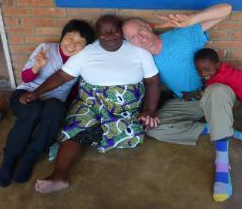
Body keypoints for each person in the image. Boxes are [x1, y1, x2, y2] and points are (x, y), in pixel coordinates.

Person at [122, 4, 242, 202]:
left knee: (215, 92)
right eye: (132, 37)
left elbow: (226, 9)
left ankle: (222, 164)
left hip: (215, 92)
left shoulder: (181, 36)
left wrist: (193, 19)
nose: (139, 37)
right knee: (154, 128)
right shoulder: (143, 57)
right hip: (187, 101)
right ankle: (217, 128)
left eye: (139, 30)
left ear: (148, 26)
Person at [19, 14, 161, 193]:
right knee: (75, 129)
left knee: (119, 130)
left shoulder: (138, 50)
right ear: (97, 35)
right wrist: (36, 92)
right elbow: (62, 76)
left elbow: (153, 81)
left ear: (121, 31)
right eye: (103, 33)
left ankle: (92, 133)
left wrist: (150, 109)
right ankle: (59, 175)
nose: (109, 36)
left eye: (114, 31)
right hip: (91, 104)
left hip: (124, 109)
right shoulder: (87, 52)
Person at [0, 19, 95, 187]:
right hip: (26, 93)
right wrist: (37, 67)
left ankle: (30, 157)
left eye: (79, 42)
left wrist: (67, 110)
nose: (72, 45)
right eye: (70, 38)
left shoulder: (81, 61)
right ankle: (9, 159)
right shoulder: (46, 48)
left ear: (85, 47)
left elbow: (76, 89)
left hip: (53, 102)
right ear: (62, 37)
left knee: (57, 110)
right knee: (32, 111)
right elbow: (26, 77)